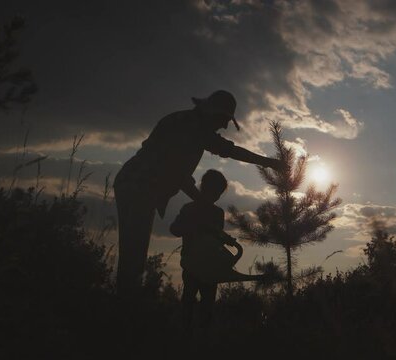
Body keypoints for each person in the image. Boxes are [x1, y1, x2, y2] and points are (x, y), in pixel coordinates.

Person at [113, 90, 283, 296]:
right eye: (223, 119)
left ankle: (124, 302)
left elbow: (227, 150)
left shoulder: (191, 125)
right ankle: (124, 309)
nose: (225, 126)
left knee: (132, 254)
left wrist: (268, 163)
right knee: (133, 255)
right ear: (212, 113)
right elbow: (177, 172)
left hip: (135, 185)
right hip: (138, 186)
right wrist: (201, 200)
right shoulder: (189, 128)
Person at [169, 169, 240, 331]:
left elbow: (217, 238)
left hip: (209, 267)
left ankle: (199, 340)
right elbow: (174, 229)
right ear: (204, 188)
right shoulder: (189, 209)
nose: (216, 196)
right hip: (192, 264)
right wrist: (192, 226)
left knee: (206, 307)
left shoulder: (216, 213)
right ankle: (185, 337)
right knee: (188, 303)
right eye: (214, 191)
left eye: (218, 193)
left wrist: (226, 239)